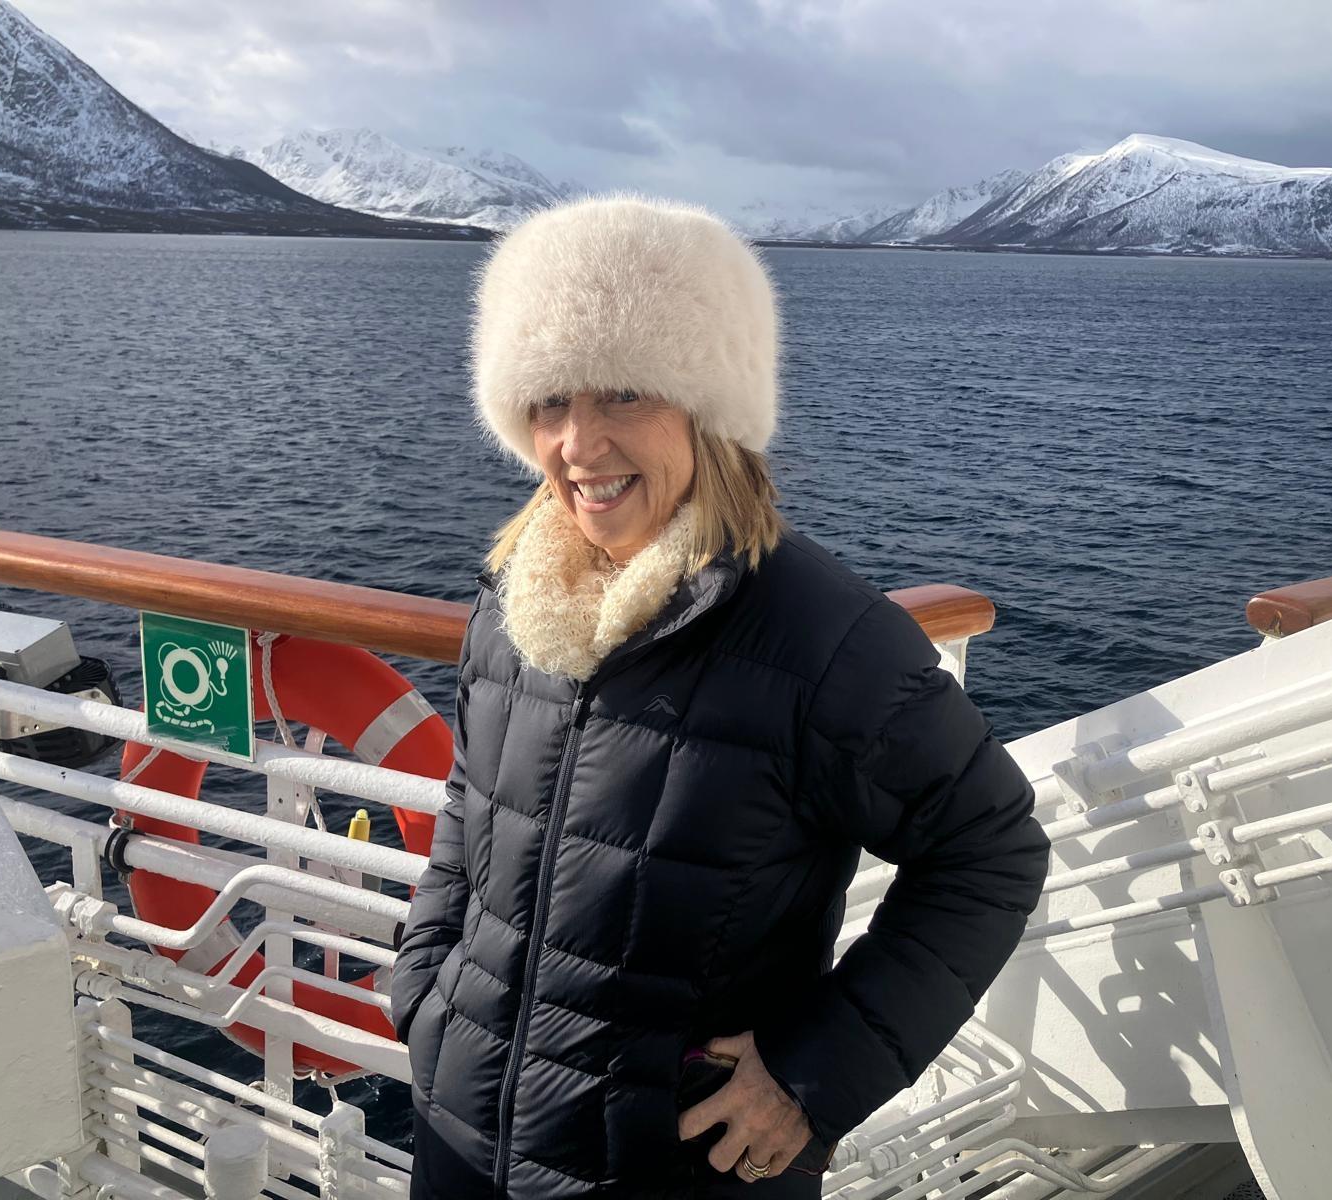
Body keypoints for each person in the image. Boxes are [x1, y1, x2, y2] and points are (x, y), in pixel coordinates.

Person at [386, 192, 1050, 1199]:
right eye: (551, 400)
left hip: (677, 1168)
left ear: (710, 412)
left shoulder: (822, 636)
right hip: (461, 1137)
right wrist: (428, 981)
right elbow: (470, 805)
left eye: (624, 395)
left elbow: (988, 850)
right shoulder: (518, 603)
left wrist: (811, 1076)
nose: (578, 444)